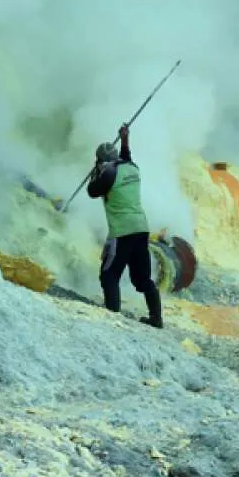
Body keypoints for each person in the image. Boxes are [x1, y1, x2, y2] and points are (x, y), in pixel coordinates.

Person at [86, 123, 163, 329]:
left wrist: (96, 171)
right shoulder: (132, 168)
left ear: (102, 161)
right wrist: (125, 138)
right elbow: (126, 156)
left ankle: (112, 317)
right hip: (141, 228)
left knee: (109, 274)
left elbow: (92, 191)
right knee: (142, 278)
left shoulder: (107, 175)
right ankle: (156, 318)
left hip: (122, 231)